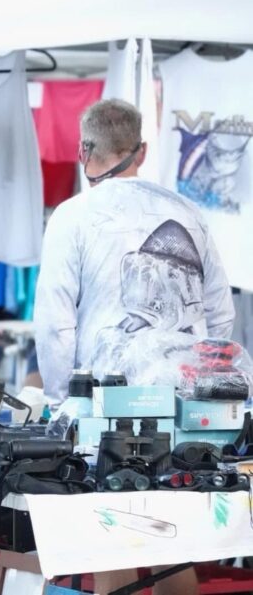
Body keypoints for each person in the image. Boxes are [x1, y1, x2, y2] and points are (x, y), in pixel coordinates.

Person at [35, 99, 235, 594]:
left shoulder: (72, 215)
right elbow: (221, 317)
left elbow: (56, 322)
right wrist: (204, 389)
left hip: (105, 405)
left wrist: (66, 402)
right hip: (186, 411)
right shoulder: (188, 212)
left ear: (84, 151)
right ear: (142, 150)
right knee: (179, 543)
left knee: (111, 538)